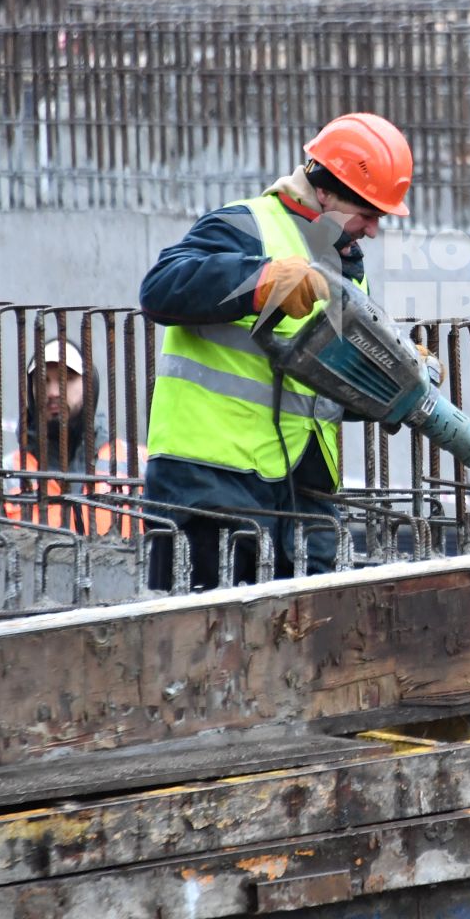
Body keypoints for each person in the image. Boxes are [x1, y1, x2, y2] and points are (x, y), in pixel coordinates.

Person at [139, 113, 414, 590]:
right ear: (325, 190)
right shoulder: (246, 225)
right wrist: (260, 282)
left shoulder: (346, 268)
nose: (372, 229)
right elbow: (160, 289)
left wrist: (395, 380)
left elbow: (323, 393)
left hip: (300, 505)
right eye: (367, 213)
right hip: (211, 488)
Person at [3, 338, 145, 537]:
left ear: (90, 386)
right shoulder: (3, 476)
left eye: (67, 379)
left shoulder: (138, 465)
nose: (53, 392)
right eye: (43, 381)